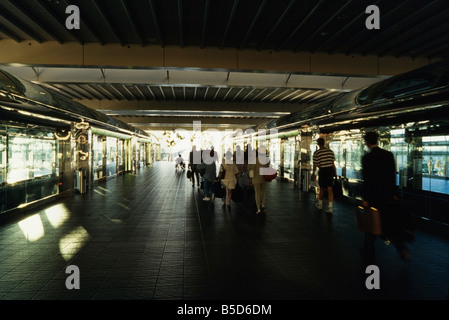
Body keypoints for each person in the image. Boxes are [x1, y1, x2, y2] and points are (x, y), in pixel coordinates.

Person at [361, 131, 410, 261]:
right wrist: (394, 194)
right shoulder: (388, 155)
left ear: (367, 142)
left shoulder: (366, 158)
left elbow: (366, 179)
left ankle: (369, 252)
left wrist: (365, 199)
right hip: (387, 195)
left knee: (371, 225)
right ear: (377, 141)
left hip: (373, 196)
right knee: (389, 223)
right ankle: (401, 248)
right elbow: (392, 176)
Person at [311, 137, 336, 214]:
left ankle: (320, 205)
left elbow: (315, 164)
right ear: (324, 143)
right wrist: (335, 173)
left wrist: (313, 173)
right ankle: (330, 207)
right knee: (330, 189)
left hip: (322, 171)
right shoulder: (330, 152)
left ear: (318, 144)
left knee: (321, 188)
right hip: (330, 170)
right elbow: (333, 164)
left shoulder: (316, 153)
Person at [247, 146, 269, 215]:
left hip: (256, 179)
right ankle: (263, 205)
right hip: (264, 178)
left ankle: (258, 209)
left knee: (257, 193)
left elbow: (250, 168)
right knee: (263, 192)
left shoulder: (255, 160)